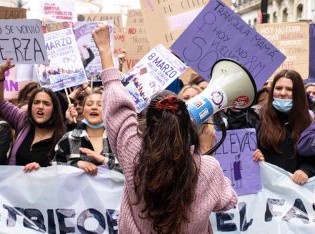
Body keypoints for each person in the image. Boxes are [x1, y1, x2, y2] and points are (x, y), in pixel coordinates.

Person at [92, 24, 236, 233]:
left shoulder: (135, 154)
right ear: (188, 126)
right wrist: (203, 155)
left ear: (147, 124)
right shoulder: (208, 168)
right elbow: (227, 201)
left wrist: (105, 50)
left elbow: (117, 111)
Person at [0, 60, 66, 172]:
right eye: (36, 102)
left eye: (46, 104)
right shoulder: (23, 121)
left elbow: (63, 171)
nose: (40, 106)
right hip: (14, 186)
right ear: (30, 107)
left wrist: (41, 170)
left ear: (54, 110)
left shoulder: (62, 137)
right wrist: (1, 73)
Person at [253, 69, 315, 185]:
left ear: (298, 93)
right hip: (265, 190)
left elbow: (312, 157)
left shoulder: (309, 123)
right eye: (278, 88)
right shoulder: (258, 116)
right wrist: (256, 155)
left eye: (289, 89)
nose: (282, 93)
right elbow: (245, 150)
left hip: (296, 191)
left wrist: (306, 170)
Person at [54, 87, 122, 175]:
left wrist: (104, 160)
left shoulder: (119, 140)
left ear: (108, 110)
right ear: (83, 111)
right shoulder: (69, 138)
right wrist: (76, 164)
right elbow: (54, 169)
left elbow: (132, 170)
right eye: (89, 104)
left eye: (100, 105)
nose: (94, 107)